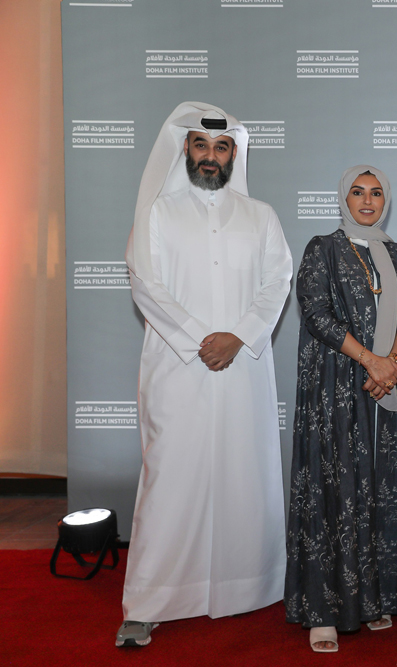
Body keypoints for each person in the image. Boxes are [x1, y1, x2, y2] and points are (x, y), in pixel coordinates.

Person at [118, 102, 293, 647]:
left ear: (233, 154)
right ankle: (148, 602)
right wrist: (201, 338)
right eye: (201, 146)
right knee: (171, 478)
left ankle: (249, 586)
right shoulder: (159, 213)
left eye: (221, 148)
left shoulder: (260, 214)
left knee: (244, 474)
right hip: (178, 369)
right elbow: (146, 284)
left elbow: (277, 281)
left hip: (242, 368)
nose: (211, 157)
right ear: (185, 150)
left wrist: (238, 336)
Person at [284, 165, 397, 653]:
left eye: (376, 193)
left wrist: (392, 363)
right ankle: (326, 610)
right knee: (339, 485)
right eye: (358, 192)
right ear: (343, 199)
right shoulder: (322, 248)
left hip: (394, 384)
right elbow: (315, 311)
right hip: (338, 385)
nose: (368, 201)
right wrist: (370, 361)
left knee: (389, 485)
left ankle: (377, 598)